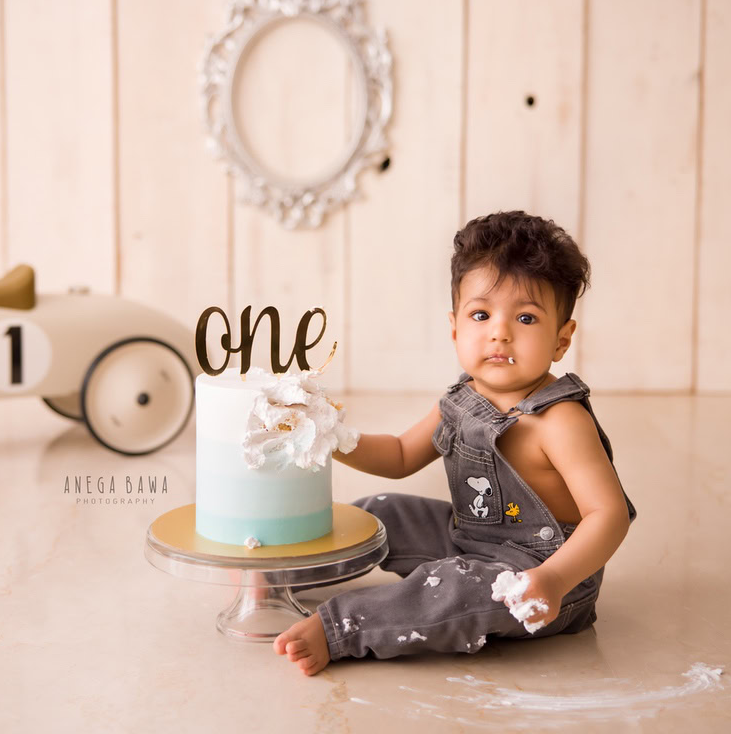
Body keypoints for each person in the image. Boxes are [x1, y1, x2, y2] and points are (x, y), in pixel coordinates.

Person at [273, 210, 638, 676]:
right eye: (481, 314)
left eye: (526, 318)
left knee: (451, 585)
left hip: (543, 579)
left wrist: (553, 579)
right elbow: (402, 455)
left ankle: (341, 629)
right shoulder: (464, 398)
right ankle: (296, 573)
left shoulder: (559, 419)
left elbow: (609, 516)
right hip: (471, 539)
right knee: (379, 512)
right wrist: (334, 436)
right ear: (454, 326)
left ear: (562, 339)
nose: (499, 331)